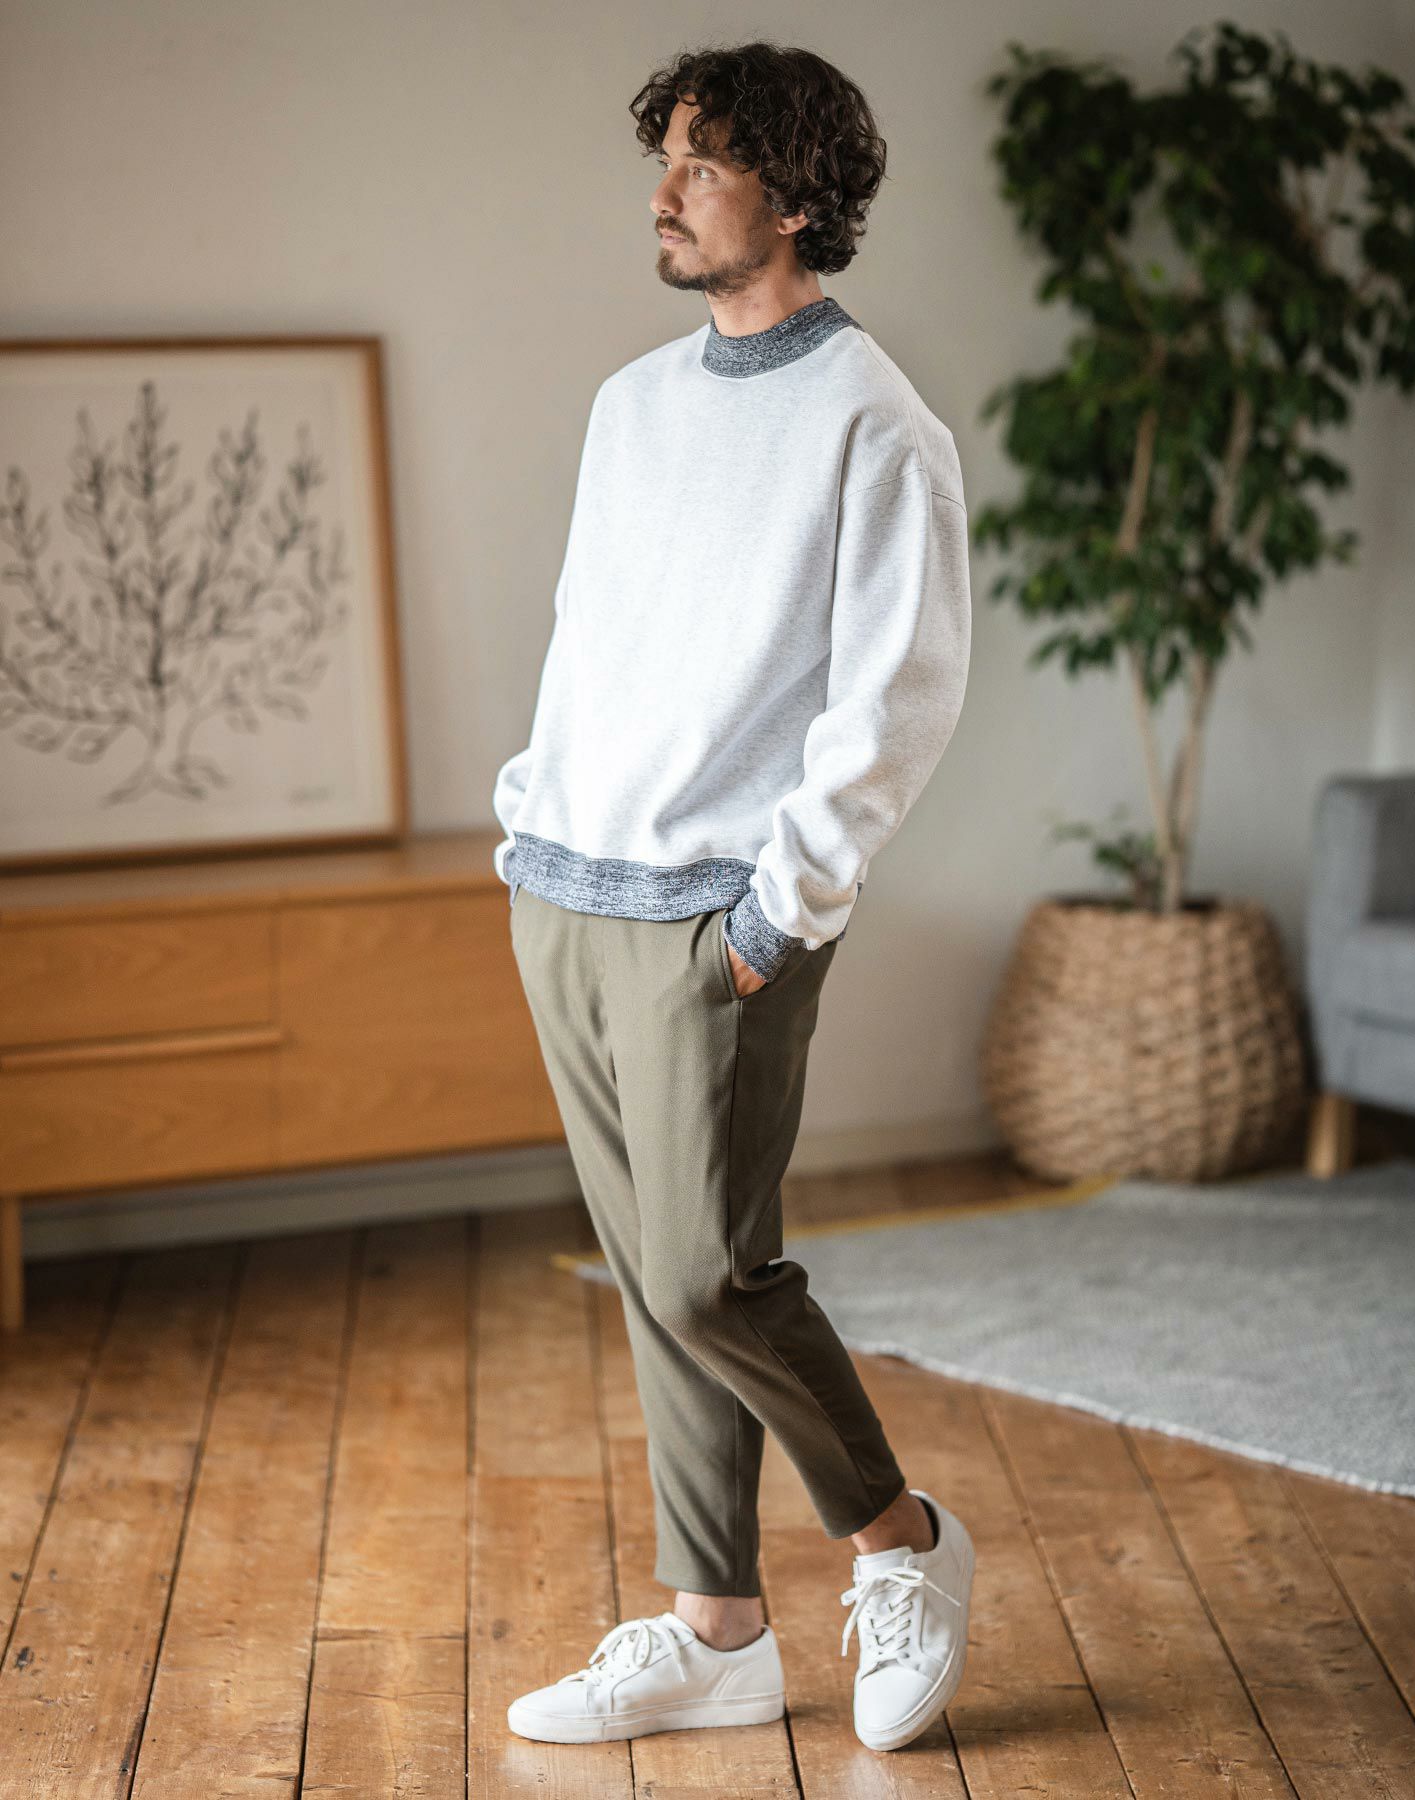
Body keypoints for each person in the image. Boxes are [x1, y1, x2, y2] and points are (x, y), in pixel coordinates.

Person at [494, 40, 974, 1755]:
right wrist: (527, 830)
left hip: (721, 915)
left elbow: (897, 698)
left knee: (707, 1273)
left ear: (791, 192)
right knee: (653, 1283)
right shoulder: (632, 407)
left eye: (702, 165)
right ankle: (716, 1633)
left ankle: (898, 1537)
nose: (667, 194)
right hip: (568, 890)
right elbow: (589, 645)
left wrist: (783, 913)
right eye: (671, 162)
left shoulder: (875, 424)